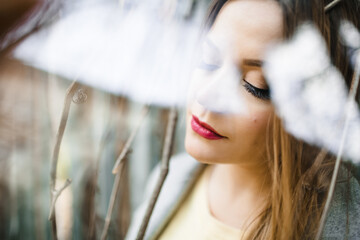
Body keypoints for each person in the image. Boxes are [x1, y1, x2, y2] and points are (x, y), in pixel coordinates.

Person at [126, 0, 360, 239]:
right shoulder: (169, 179)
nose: (206, 96)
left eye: (256, 85)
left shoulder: (346, 227)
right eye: (208, 59)